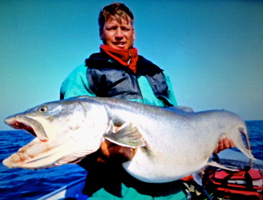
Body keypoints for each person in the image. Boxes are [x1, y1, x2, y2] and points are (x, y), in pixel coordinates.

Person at [60, 3, 234, 199]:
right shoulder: (84, 75)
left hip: (170, 190)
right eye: (112, 28)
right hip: (114, 190)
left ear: (133, 33)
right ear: (101, 32)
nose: (119, 35)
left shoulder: (157, 74)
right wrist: (103, 158)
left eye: (125, 29)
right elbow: (72, 137)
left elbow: (179, 122)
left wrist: (209, 144)